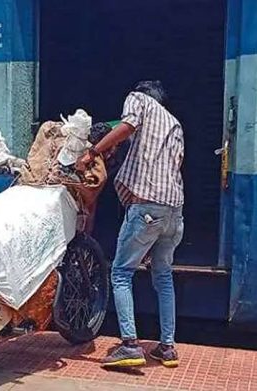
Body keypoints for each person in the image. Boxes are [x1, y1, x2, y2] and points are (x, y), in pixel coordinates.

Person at [77, 80, 184, 368]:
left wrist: (93, 152)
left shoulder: (138, 99)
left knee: (121, 273)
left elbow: (126, 126)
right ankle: (168, 347)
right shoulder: (175, 125)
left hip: (146, 208)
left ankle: (129, 345)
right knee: (163, 276)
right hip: (174, 212)